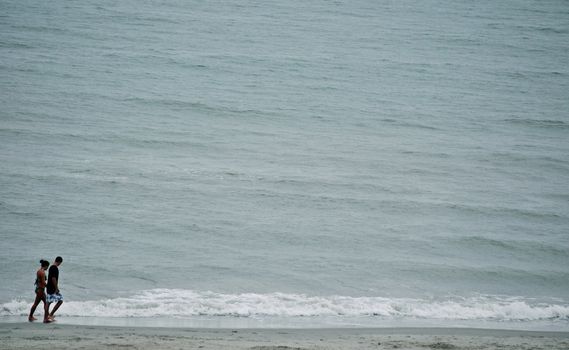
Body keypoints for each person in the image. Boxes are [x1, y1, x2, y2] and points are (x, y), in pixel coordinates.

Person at [46, 256, 64, 320]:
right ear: (59, 262)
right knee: (60, 300)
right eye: (60, 263)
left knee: (48, 302)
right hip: (52, 287)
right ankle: (50, 315)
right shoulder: (55, 268)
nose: (60, 264)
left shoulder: (51, 267)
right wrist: (56, 288)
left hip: (49, 286)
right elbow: (53, 278)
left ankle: (47, 316)